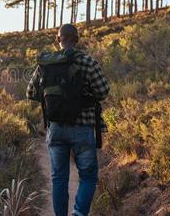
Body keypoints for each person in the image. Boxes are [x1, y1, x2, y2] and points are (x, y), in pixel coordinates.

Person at [26, 24, 109, 216]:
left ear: (58, 40)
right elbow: (103, 91)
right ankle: (79, 213)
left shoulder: (45, 63)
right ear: (77, 39)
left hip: (55, 128)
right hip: (82, 127)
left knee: (58, 179)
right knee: (88, 176)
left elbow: (30, 92)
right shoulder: (87, 61)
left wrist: (53, 98)